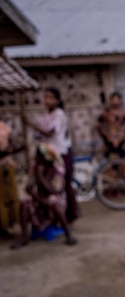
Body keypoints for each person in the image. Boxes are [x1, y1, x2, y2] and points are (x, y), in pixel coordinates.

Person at [23, 87, 81, 223]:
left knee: (64, 185)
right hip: (50, 155)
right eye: (45, 97)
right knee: (52, 185)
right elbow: (43, 135)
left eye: (50, 97)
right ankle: (56, 216)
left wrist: (30, 124)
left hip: (60, 154)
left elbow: (49, 133)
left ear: (57, 100)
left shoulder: (58, 114)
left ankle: (71, 215)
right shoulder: (48, 115)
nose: (46, 100)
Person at [10, 144, 77, 249]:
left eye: (38, 157)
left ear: (45, 159)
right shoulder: (34, 166)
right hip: (39, 197)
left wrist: (40, 177)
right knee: (24, 202)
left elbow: (54, 191)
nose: (35, 159)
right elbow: (28, 187)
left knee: (53, 202)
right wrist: (38, 197)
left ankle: (68, 234)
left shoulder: (58, 168)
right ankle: (24, 237)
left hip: (55, 198)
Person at [0, 120, 23, 237]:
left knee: (11, 195)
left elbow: (12, 142)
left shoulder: (3, 126)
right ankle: (3, 227)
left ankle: (11, 223)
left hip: (7, 165)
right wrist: (12, 150)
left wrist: (12, 148)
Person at [97, 91, 125, 159]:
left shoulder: (123, 113)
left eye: (117, 99)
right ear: (110, 100)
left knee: (122, 159)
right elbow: (97, 125)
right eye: (113, 99)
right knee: (110, 161)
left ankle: (121, 169)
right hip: (110, 140)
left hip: (120, 139)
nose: (115, 101)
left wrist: (123, 133)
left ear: (120, 100)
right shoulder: (106, 113)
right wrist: (104, 136)